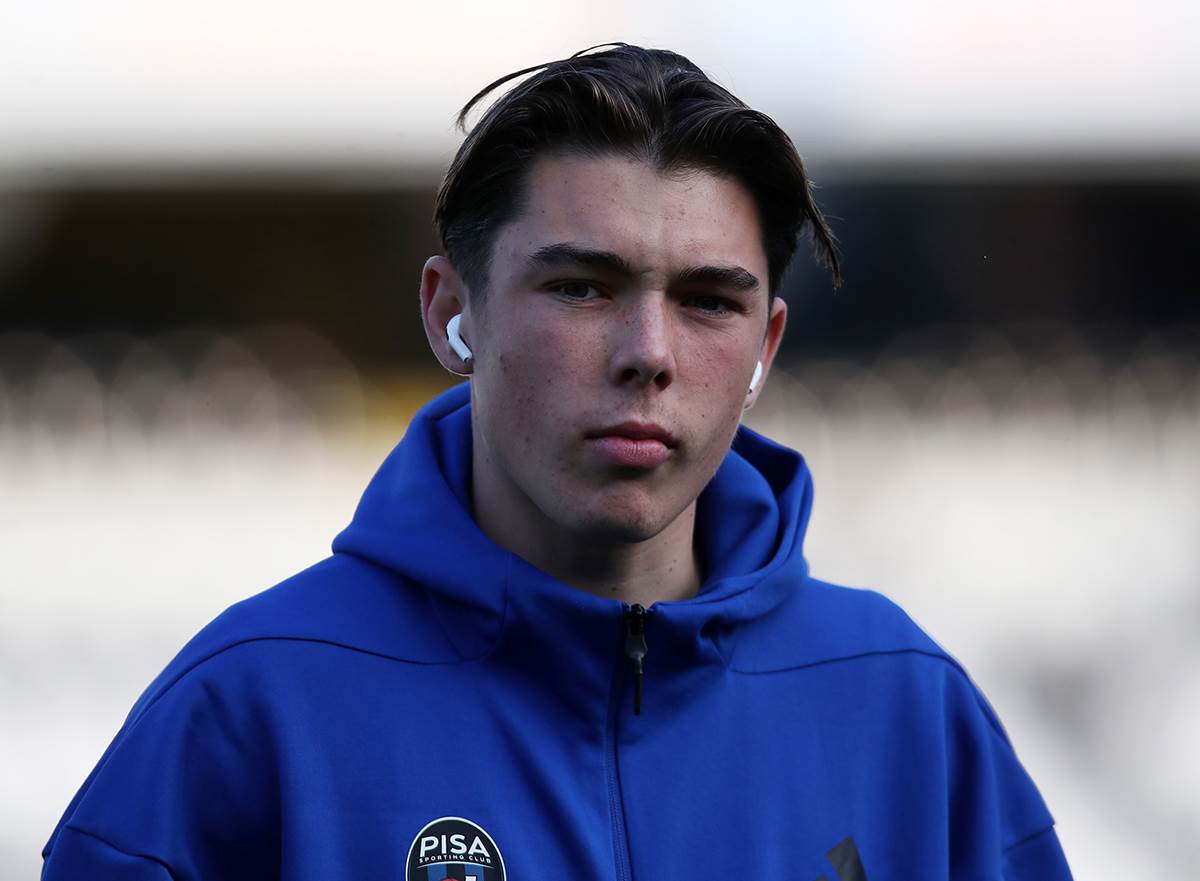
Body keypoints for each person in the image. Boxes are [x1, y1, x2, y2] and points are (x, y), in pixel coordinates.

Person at [41, 44, 1072, 880]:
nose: (649, 354)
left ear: (765, 347)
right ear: (453, 311)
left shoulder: (902, 704)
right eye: (582, 287)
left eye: (709, 301)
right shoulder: (248, 709)